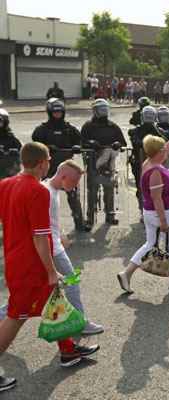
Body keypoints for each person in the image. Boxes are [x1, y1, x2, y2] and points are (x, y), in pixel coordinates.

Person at [0, 143, 100, 390]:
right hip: (30, 265)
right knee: (15, 317)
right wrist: (50, 271)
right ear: (43, 162)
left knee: (54, 301)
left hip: (15, 258)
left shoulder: (6, 184)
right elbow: (39, 237)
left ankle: (67, 350)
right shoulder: (38, 191)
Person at [0, 160, 104, 334]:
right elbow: (39, 228)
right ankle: (80, 324)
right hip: (52, 250)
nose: (76, 186)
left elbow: (49, 221)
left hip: (53, 246)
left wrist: (61, 234)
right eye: (74, 181)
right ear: (64, 177)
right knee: (71, 282)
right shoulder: (46, 191)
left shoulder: (51, 189)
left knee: (36, 293)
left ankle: (71, 334)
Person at [118, 132, 169, 293]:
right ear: (158, 152)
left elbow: (167, 146)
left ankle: (126, 273)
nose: (166, 151)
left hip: (150, 212)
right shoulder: (156, 172)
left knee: (150, 244)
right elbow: (157, 199)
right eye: (163, 150)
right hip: (163, 213)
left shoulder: (148, 162)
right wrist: (164, 222)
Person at [32, 98, 89, 232]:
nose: (57, 114)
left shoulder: (69, 129)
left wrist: (77, 147)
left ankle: (79, 222)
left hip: (66, 168)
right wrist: (45, 147)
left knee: (73, 195)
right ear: (49, 112)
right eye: (54, 112)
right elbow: (34, 145)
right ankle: (40, 224)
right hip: (47, 169)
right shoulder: (42, 129)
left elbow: (81, 142)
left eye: (59, 112)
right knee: (42, 198)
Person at [80, 98, 127, 226]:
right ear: (95, 111)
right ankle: (90, 217)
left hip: (109, 163)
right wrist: (90, 143)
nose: (104, 112)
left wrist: (118, 144)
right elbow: (81, 142)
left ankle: (110, 214)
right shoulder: (88, 126)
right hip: (93, 162)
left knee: (109, 189)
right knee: (93, 190)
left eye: (105, 109)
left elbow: (123, 143)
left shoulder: (113, 126)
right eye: (101, 109)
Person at [129, 106, 166, 215]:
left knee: (157, 186)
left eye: (151, 116)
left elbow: (163, 140)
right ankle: (143, 209)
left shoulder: (157, 130)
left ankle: (156, 208)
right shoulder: (136, 130)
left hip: (155, 164)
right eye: (147, 116)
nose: (148, 118)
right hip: (139, 163)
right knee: (141, 186)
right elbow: (135, 141)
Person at [0, 109, 21, 179]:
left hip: (7, 174)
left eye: (1, 121)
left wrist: (14, 153)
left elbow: (21, 150)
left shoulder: (11, 137)